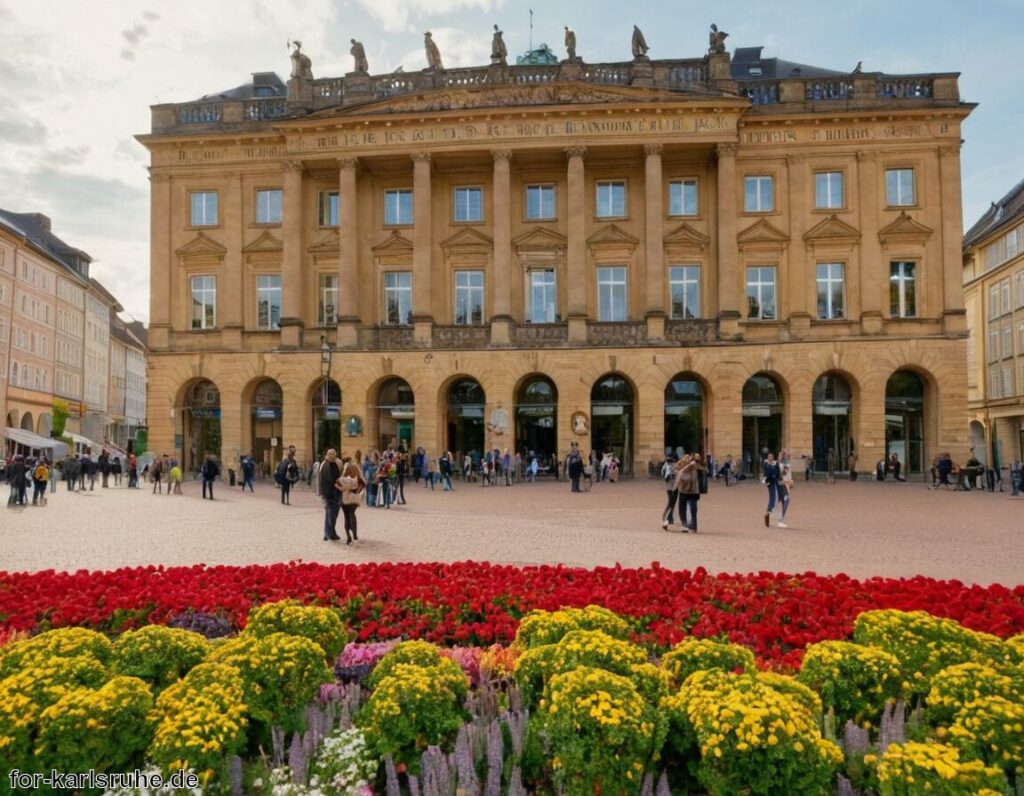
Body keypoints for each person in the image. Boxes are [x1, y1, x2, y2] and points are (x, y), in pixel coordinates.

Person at [337, 459, 366, 545]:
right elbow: (363, 486)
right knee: (352, 514)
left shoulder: (343, 478)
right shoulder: (358, 479)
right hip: (353, 500)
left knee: (346, 517)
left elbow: (338, 486)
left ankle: (348, 537)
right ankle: (355, 534)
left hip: (344, 499)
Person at [676, 453, 705, 532]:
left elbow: (703, 468)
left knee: (693, 509)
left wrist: (698, 460)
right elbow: (676, 469)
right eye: (687, 458)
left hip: (693, 491)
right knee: (682, 509)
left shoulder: (695, 465)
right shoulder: (682, 465)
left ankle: (693, 526)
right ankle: (684, 525)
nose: (689, 459)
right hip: (683, 490)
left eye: (690, 458)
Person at [319, 449, 342, 541]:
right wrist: (327, 495)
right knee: (331, 514)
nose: (334, 456)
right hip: (329, 494)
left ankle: (328, 533)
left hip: (335, 492)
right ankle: (330, 534)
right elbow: (324, 482)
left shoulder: (334, 464)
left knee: (331, 514)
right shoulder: (325, 465)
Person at [661, 457, 681, 530]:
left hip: (668, 487)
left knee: (671, 502)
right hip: (673, 487)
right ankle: (665, 518)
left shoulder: (664, 466)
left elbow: (663, 475)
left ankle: (670, 518)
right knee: (671, 503)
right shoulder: (672, 466)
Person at [763, 451, 781, 527]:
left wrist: (779, 479)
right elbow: (765, 474)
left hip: (776, 482)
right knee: (774, 496)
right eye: (769, 456)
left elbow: (778, 472)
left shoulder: (776, 464)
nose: (770, 458)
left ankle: (769, 511)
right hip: (770, 483)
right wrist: (766, 481)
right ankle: (769, 510)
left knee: (775, 496)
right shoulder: (766, 464)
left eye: (771, 456)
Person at [776, 449, 794, 528]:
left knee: (780, 500)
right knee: (786, 500)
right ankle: (780, 520)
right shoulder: (782, 465)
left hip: (784, 484)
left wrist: (790, 481)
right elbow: (782, 476)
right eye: (787, 454)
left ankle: (769, 514)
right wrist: (788, 482)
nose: (789, 455)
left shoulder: (787, 463)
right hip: (783, 485)